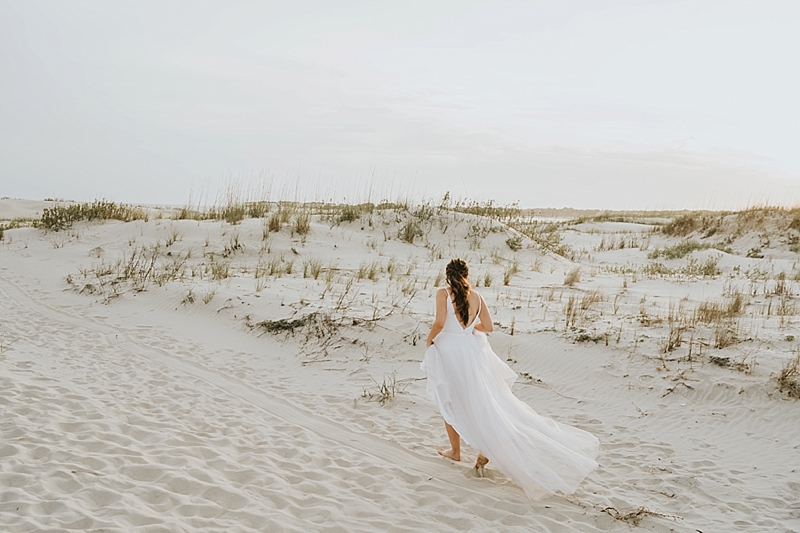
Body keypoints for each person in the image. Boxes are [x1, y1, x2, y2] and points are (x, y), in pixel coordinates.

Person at [420, 258, 599, 500]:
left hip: (450, 351)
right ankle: (484, 448)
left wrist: (429, 340)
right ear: (466, 274)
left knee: (450, 400)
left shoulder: (443, 293)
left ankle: (455, 451)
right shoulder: (477, 297)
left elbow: (440, 322)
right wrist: (470, 330)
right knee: (485, 400)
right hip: (472, 352)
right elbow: (489, 327)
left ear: (448, 275)